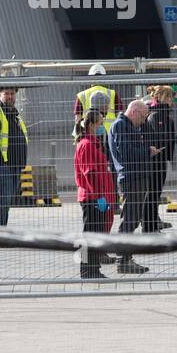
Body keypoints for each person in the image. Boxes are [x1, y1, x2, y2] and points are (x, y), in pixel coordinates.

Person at [108, 100, 153, 275]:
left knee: (133, 220)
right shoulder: (120, 126)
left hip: (136, 177)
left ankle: (126, 258)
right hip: (130, 178)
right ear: (133, 112)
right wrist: (147, 152)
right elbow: (127, 154)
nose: (144, 121)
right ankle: (122, 259)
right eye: (143, 116)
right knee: (129, 220)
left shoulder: (129, 126)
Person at [74, 109, 115, 279]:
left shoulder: (92, 143)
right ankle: (87, 269)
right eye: (99, 123)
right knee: (90, 234)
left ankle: (91, 268)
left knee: (92, 233)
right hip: (92, 196)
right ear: (91, 125)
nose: (101, 127)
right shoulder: (87, 145)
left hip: (95, 195)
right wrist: (99, 196)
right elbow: (89, 173)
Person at [0, 86, 28, 227]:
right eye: (6, 93)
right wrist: (1, 163)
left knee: (7, 201)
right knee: (3, 200)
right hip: (2, 165)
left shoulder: (14, 114)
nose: (10, 96)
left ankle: (1, 233)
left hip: (14, 164)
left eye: (12, 93)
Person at [143, 85, 177, 230]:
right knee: (151, 193)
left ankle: (152, 225)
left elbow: (166, 136)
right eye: (169, 97)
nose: (172, 100)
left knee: (155, 194)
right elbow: (157, 137)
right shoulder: (155, 115)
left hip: (160, 159)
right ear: (162, 98)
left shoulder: (164, 115)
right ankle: (148, 227)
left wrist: (176, 139)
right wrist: (175, 139)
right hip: (154, 161)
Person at [74, 64, 123, 136]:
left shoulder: (82, 95)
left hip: (89, 135)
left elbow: (77, 120)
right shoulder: (113, 94)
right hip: (111, 134)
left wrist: (78, 137)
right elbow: (120, 117)